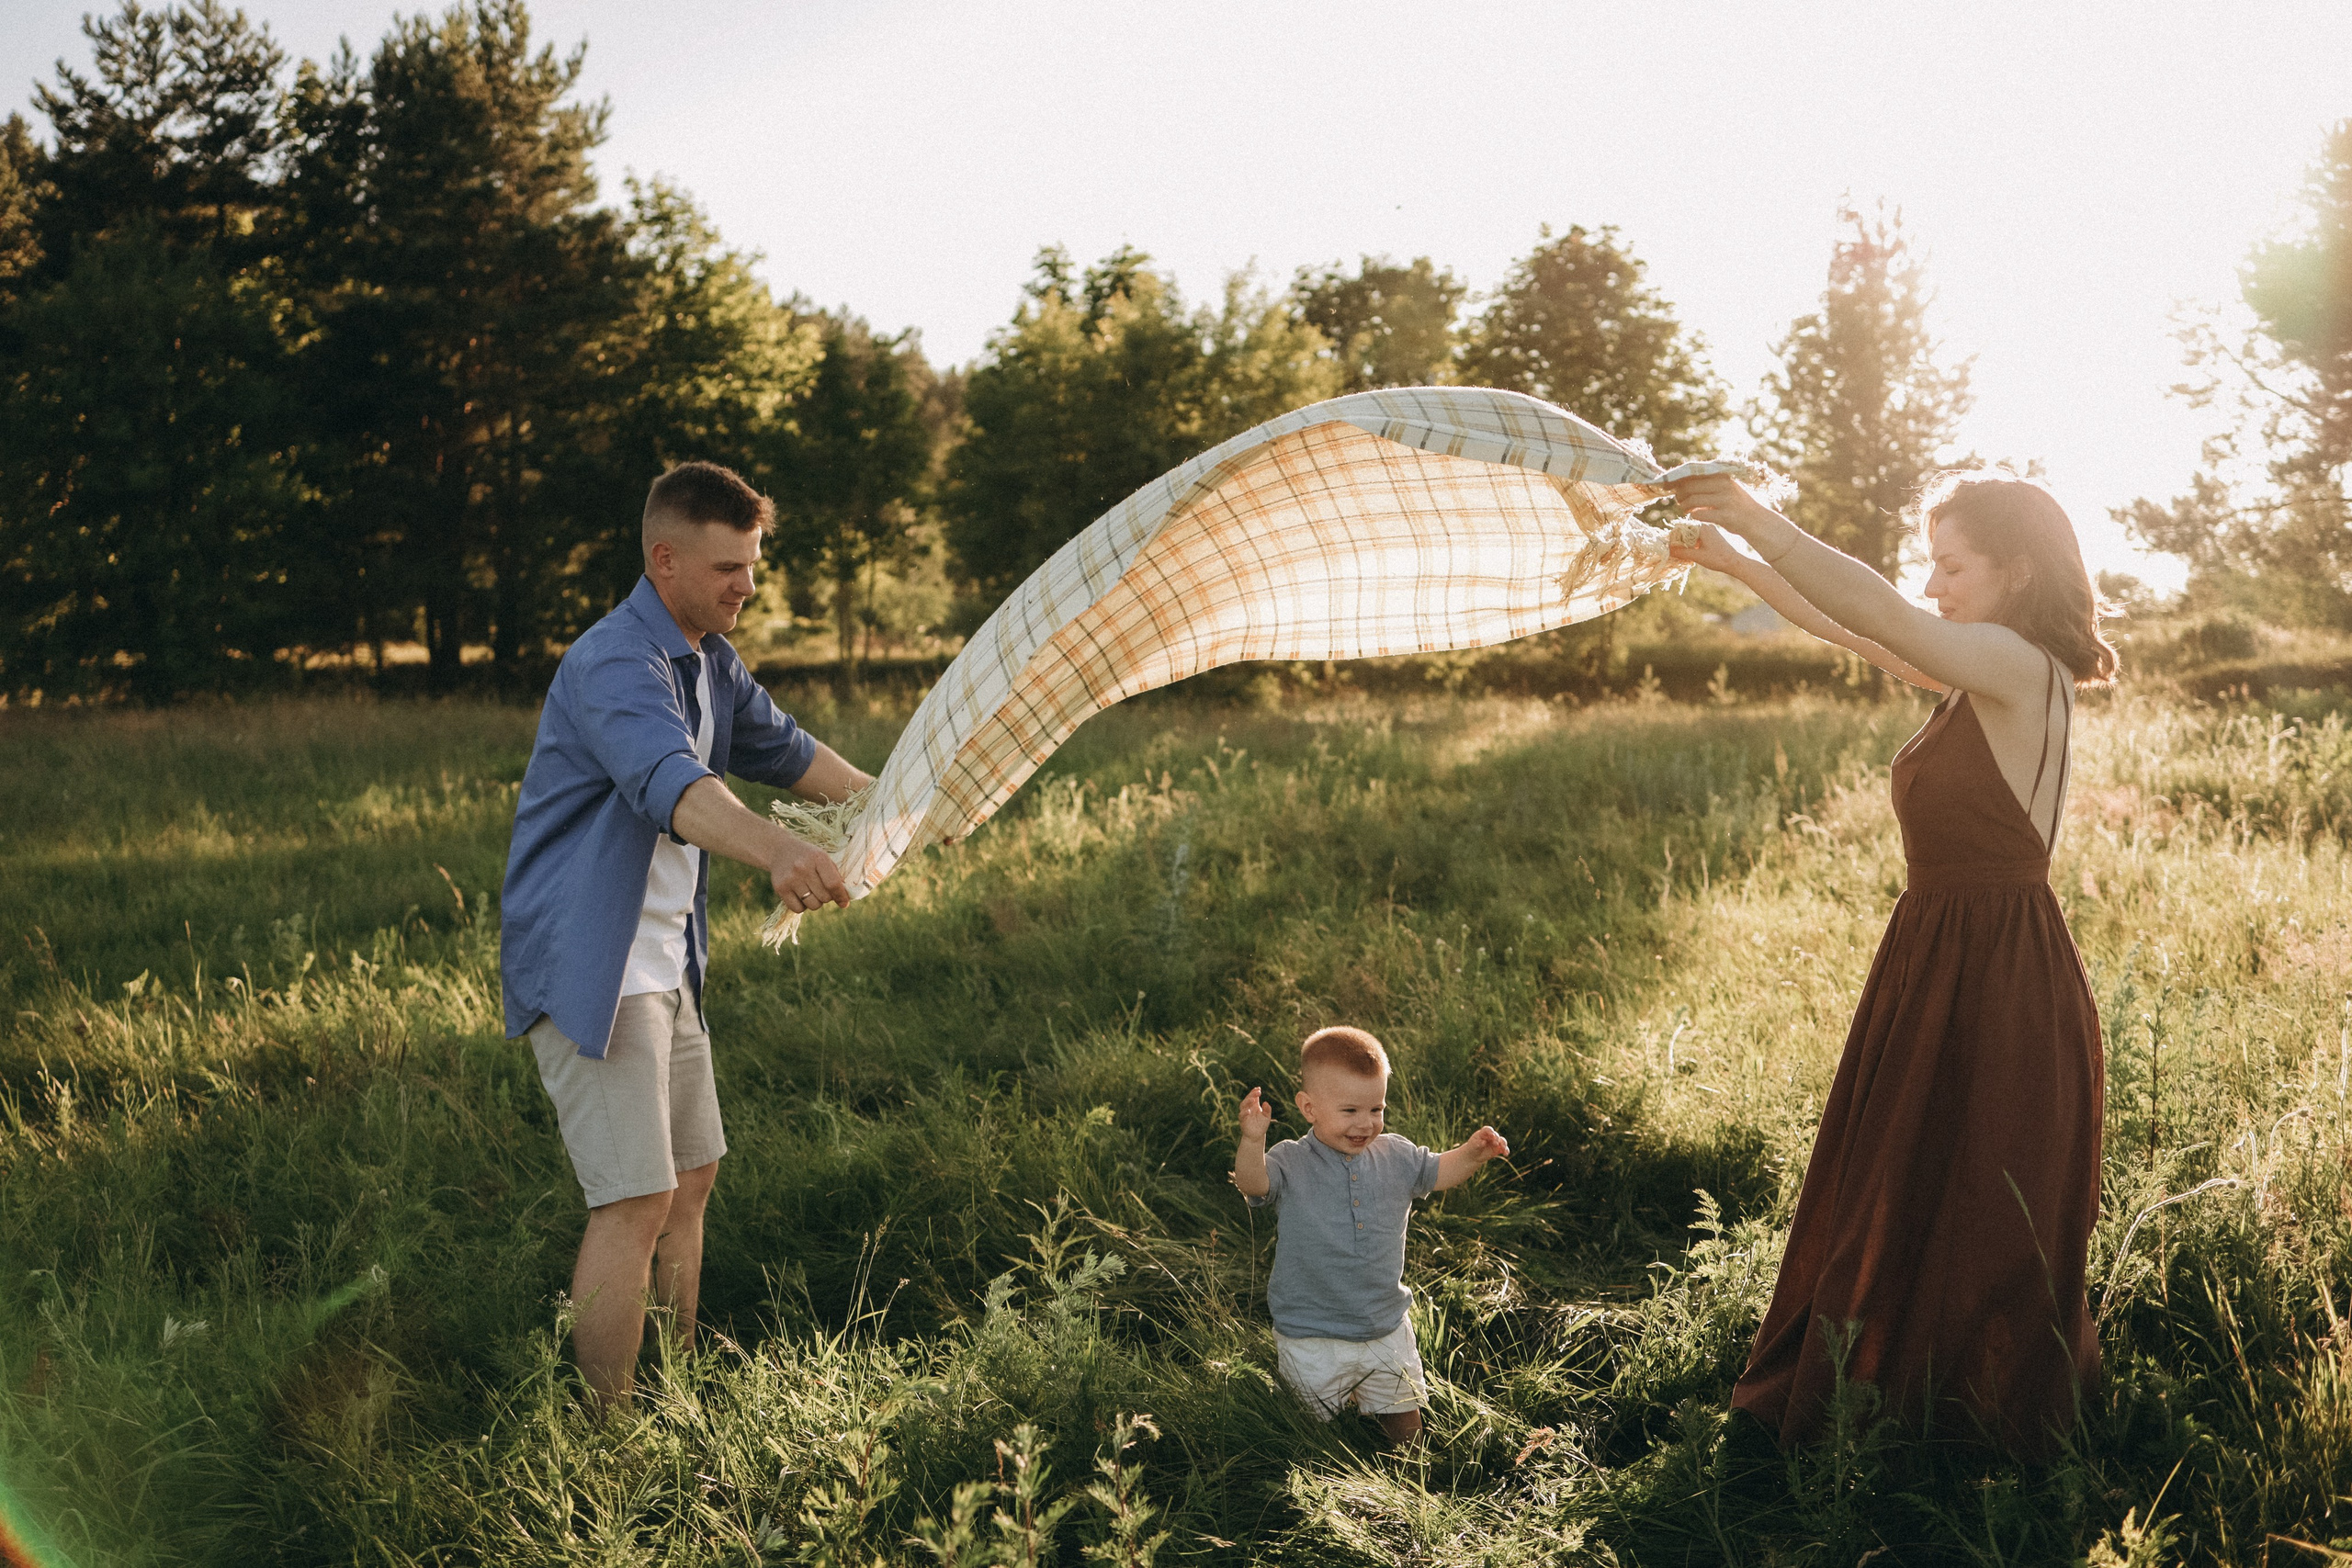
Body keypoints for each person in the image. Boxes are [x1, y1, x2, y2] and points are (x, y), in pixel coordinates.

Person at [1665, 469, 2116, 1451]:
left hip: (1996, 971)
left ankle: (1968, 1425)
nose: (1932, 583)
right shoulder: (1979, 666)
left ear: (2018, 569)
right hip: (1944, 952)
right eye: (1930, 564)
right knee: (1910, 1184)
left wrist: (1749, 509)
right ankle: (1902, 1400)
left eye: (1951, 564)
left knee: (1976, 1198)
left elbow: (1876, 606)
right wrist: (1730, 560)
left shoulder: (2016, 665)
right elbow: (1853, 625)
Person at [501, 461, 873, 1408]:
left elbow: (786, 752)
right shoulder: (614, 663)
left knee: (690, 1181)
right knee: (632, 1201)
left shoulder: (709, 657)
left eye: (751, 565)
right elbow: (672, 785)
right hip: (593, 967)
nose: (746, 585)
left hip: (664, 968)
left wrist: (898, 807)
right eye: (726, 569)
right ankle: (610, 1434)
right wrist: (778, 851)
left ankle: (675, 1388)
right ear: (664, 561)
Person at [1232, 1025, 1511, 1441]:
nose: (1366, 1123)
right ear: (1309, 1108)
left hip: (1383, 1323)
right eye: (1350, 1111)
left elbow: (1437, 1172)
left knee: (1404, 1418)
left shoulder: (1396, 1155)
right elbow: (1253, 1184)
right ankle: (1323, 1486)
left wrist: (1471, 1153)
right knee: (1309, 1429)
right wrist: (1252, 1141)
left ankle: (1410, 1483)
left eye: (1376, 1109)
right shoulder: (1291, 1161)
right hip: (1312, 1330)